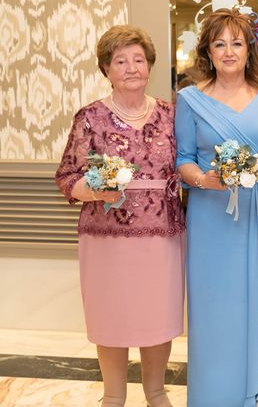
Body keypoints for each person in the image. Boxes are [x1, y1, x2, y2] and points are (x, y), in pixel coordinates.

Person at [55, 25, 186, 407]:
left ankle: (156, 392)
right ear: (107, 70)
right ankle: (113, 395)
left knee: (157, 317)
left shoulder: (170, 114)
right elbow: (67, 176)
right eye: (121, 61)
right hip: (106, 237)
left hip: (162, 233)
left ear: (150, 66)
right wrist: (96, 190)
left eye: (139, 60)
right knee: (111, 316)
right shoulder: (90, 118)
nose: (131, 68)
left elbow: (188, 165)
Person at [174, 8, 258, 407]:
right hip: (209, 215)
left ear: (250, 48)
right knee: (215, 309)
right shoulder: (190, 99)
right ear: (208, 51)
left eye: (237, 42)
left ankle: (254, 392)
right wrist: (203, 179)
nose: (229, 51)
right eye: (220, 43)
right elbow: (183, 158)